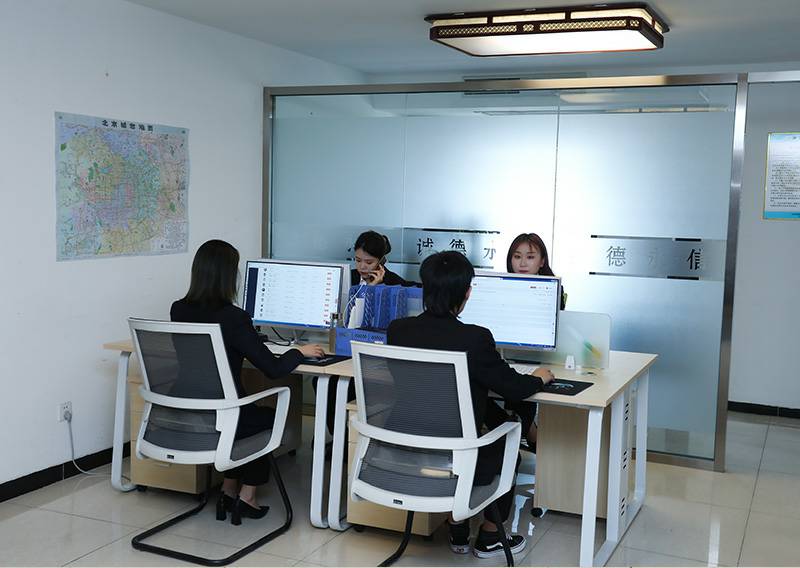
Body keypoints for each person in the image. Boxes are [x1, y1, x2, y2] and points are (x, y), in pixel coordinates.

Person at [387, 251, 554, 558]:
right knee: (507, 444)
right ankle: (490, 537)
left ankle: (458, 527)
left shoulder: (398, 330)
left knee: (484, 410)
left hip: (406, 455)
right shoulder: (474, 339)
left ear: (425, 289)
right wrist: (540, 378)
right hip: (459, 461)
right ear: (466, 293)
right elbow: (515, 388)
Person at [171, 239, 324, 524]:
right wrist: (298, 351)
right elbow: (273, 369)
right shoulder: (234, 318)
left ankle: (229, 490)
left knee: (245, 418)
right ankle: (247, 496)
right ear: (229, 276)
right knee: (267, 419)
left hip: (190, 413)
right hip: (224, 416)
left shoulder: (178, 309)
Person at [486, 232, 567, 450]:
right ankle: (526, 432)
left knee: (524, 385)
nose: (522, 263)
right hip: (503, 355)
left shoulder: (552, 290)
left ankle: (523, 433)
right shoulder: (498, 287)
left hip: (539, 357)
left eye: (530, 257)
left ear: (542, 261)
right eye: (517, 256)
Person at [351, 230, 417, 287]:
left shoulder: (395, 283)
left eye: (369, 262)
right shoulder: (348, 277)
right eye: (358, 260)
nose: (362, 267)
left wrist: (375, 288)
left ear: (381, 261)